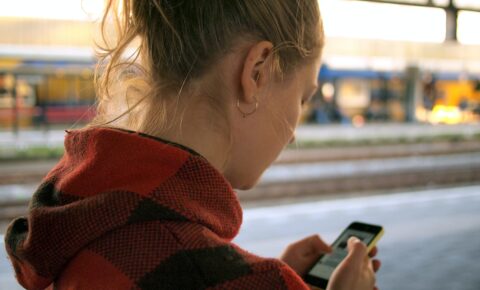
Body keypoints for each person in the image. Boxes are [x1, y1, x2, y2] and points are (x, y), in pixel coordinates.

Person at [4, 1, 381, 289]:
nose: (294, 130)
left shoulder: (75, 220)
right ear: (257, 71)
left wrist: (242, 269)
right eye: (302, 97)